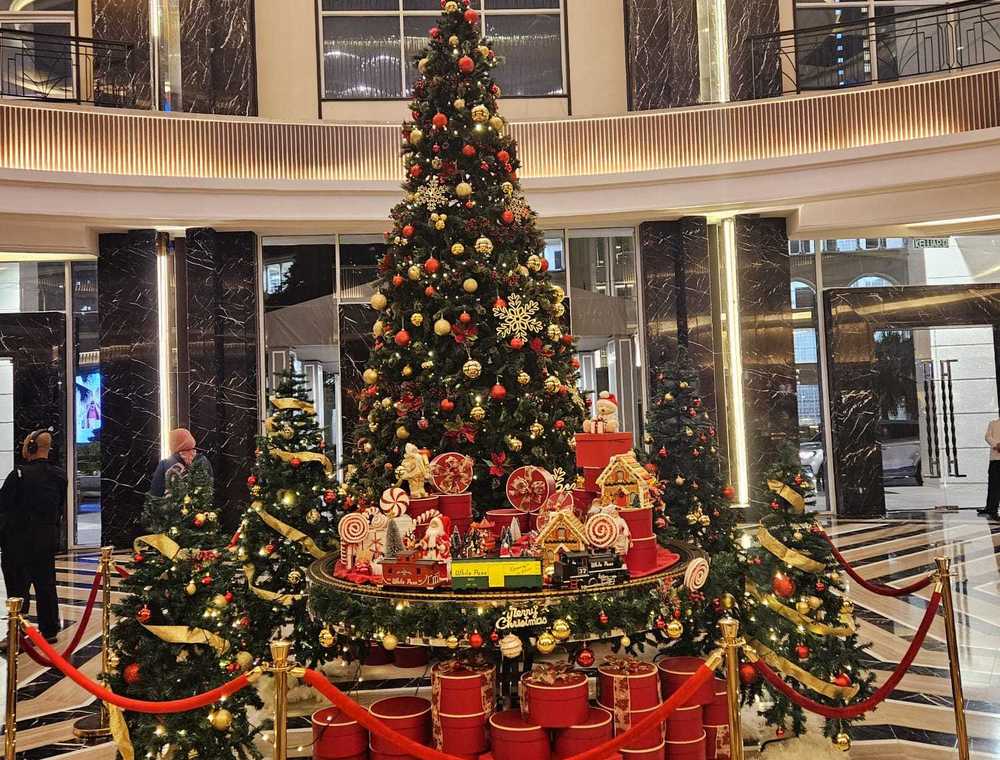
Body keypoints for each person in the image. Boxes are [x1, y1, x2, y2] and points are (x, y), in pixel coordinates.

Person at [0, 429, 67, 643]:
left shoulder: (19, 475)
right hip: (46, 540)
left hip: (18, 542)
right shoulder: (60, 476)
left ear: (31, 446)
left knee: (17, 589)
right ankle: (50, 630)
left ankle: (16, 633)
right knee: (46, 586)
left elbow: (4, 507)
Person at [150, 428, 213, 497]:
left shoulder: (165, 464)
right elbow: (209, 489)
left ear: (173, 444)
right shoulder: (203, 460)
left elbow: (155, 493)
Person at [978, 417, 1000, 519]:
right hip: (995, 459)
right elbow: (987, 437)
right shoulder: (993, 423)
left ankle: (992, 509)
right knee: (993, 485)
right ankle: (990, 508)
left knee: (995, 486)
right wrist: (997, 445)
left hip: (995, 458)